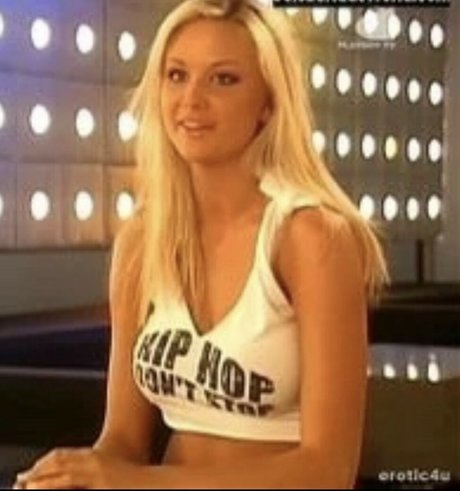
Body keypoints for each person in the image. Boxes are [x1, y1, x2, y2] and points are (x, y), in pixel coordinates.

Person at [15, 0, 389, 488]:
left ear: (268, 103)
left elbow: (328, 470)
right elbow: (123, 440)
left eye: (223, 79)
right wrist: (74, 473)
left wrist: (137, 484)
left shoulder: (311, 237)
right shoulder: (141, 241)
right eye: (176, 75)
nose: (191, 100)